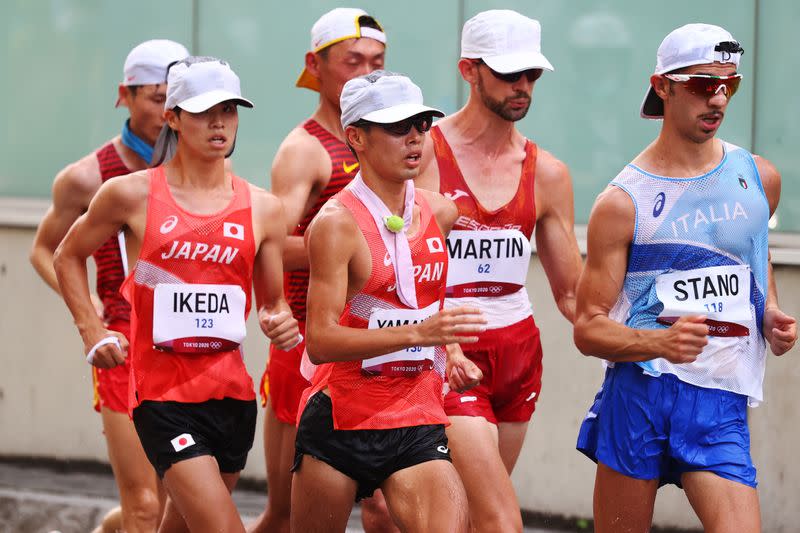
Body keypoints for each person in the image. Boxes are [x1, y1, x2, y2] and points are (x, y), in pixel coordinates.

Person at [53, 56, 300, 533]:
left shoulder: (264, 209)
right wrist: (91, 330)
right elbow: (66, 254)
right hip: (161, 396)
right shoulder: (130, 194)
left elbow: (274, 303)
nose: (219, 123)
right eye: (205, 111)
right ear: (172, 117)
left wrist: (280, 320)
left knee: (180, 527)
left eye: (229, 110)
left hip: (232, 396)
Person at [574, 23, 797, 533]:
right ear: (663, 85)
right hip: (639, 396)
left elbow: (750, 256)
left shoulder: (759, 178)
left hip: (719, 401)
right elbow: (587, 329)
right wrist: (660, 341)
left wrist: (769, 313)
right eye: (701, 85)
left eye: (729, 85)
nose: (717, 99)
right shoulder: (621, 202)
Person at [290, 70, 486, 533]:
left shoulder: (439, 211)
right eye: (399, 127)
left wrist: (451, 350)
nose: (415, 138)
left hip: (416, 416)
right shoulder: (336, 223)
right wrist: (422, 334)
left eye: (421, 124)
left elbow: (422, 301)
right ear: (355, 136)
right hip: (341, 419)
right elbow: (319, 340)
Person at [416, 10, 582, 531]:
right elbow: (401, 268)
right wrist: (445, 345)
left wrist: (639, 341)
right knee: (500, 519)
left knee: (464, 516)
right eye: (510, 74)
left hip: (517, 356)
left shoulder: (549, 173)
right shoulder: (423, 154)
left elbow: (574, 296)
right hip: (447, 354)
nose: (523, 87)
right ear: (469, 70)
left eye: (531, 75)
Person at [29, 38, 188, 533]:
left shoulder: (200, 170)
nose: (165, 111)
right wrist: (91, 316)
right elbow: (44, 249)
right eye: (154, 97)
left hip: (187, 344)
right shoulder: (86, 177)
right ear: (125, 94)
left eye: (175, 99)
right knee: (144, 504)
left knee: (170, 506)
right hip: (122, 344)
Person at [249, 8, 394, 533]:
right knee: (288, 518)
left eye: (377, 62)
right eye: (353, 62)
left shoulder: (391, 141)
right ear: (316, 65)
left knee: (387, 509)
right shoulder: (306, 149)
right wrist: (342, 251)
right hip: (308, 351)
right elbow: (263, 243)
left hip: (379, 347)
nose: (367, 74)